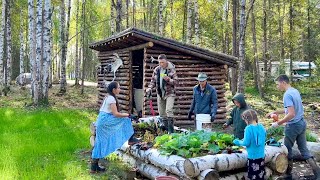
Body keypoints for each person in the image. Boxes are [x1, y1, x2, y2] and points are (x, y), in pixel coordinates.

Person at [266, 74, 320, 180]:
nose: (277, 87)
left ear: (283, 82)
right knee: (304, 150)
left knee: (287, 150)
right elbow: (290, 109)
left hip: (293, 126)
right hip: (301, 123)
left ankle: (288, 175)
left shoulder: (287, 95)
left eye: (278, 84)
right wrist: (275, 111)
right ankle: (318, 174)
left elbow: (291, 114)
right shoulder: (295, 91)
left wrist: (278, 123)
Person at [91, 81, 139, 173]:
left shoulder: (108, 97)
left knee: (100, 143)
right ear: (114, 89)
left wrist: (126, 115)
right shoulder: (111, 99)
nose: (120, 89)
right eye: (119, 88)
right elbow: (116, 114)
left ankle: (94, 167)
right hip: (105, 121)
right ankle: (131, 139)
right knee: (125, 120)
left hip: (102, 120)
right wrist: (128, 115)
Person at [146, 54, 178, 134]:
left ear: (166, 61)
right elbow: (152, 81)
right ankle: (166, 131)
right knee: (162, 113)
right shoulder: (157, 70)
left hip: (170, 93)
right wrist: (149, 88)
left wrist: (168, 79)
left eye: (162, 62)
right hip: (160, 93)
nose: (161, 64)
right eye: (159, 62)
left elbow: (176, 82)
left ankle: (171, 131)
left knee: (169, 110)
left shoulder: (171, 69)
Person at [233, 109, 266, 180]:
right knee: (260, 175)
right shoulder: (261, 127)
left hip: (253, 157)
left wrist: (237, 142)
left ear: (246, 119)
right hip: (262, 156)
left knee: (253, 176)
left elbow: (246, 143)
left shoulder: (248, 128)